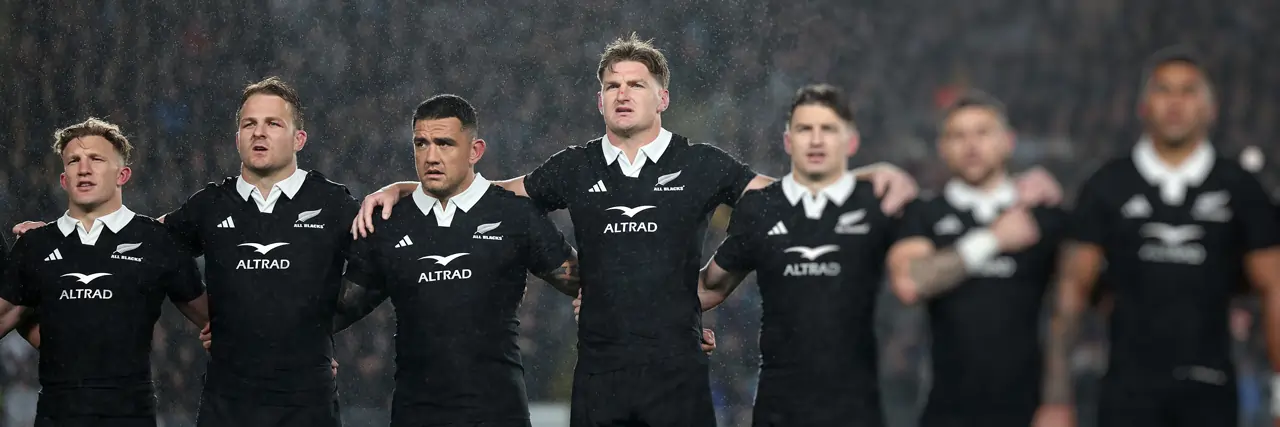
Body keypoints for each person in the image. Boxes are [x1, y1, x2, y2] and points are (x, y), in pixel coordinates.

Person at [352, 34, 922, 427]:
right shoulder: (573, 167)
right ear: (599, 99)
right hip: (597, 372)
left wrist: (863, 175)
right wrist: (410, 188)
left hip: (678, 371)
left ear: (662, 97)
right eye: (613, 84)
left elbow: (783, 195)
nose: (623, 93)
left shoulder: (702, 163)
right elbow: (492, 192)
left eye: (636, 83)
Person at [12, 77, 359, 426]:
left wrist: (316, 332)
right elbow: (135, 236)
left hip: (308, 402)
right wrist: (55, 237)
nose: (259, 132)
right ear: (237, 138)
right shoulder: (207, 206)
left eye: (273, 123)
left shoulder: (332, 202)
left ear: (299, 138)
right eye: (249, 124)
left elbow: (376, 269)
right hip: (227, 404)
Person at [1036, 48, 1280, 427]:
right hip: (1126, 390)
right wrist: (1055, 399)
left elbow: (1275, 289)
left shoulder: (1242, 190)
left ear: (1211, 109)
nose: (1175, 103)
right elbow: (1070, 295)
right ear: (1143, 106)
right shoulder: (1107, 186)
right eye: (1164, 91)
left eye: (1189, 91)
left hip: (1210, 390)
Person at [314, 94, 580, 427]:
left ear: (475, 151)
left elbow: (581, 281)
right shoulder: (387, 223)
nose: (431, 156)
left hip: (498, 413)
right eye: (421, 144)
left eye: (445, 144)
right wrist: (313, 352)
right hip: (416, 413)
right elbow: (338, 310)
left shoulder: (514, 215)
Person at [694, 83, 906, 427]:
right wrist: (621, 311)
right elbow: (708, 286)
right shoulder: (761, 208)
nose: (817, 140)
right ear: (788, 141)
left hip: (856, 406)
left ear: (850, 141)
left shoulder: (877, 203)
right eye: (805, 129)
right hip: (780, 405)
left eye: (829, 129)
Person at [0, 118, 209, 427]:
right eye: (74, 161)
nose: (84, 168)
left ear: (122, 174)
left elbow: (217, 320)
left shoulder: (156, 241)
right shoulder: (35, 246)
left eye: (96, 159)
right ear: (63, 179)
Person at [886, 91, 1067, 427]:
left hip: (1030, 411)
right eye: (958, 135)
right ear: (942, 147)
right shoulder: (924, 213)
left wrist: (1058, 400)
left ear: (1008, 141)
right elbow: (911, 282)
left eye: (983, 132)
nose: (971, 145)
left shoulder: (1045, 216)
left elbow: (1069, 306)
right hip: (947, 412)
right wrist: (993, 238)